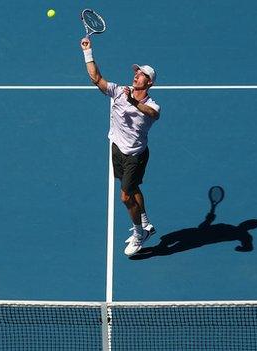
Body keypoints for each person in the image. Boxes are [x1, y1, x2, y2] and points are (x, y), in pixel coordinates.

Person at [80, 36, 161, 256]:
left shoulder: (152, 105)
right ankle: (144, 222)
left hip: (135, 155)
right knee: (132, 188)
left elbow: (152, 114)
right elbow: (96, 78)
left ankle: (139, 233)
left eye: (142, 74)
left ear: (149, 83)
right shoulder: (118, 91)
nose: (136, 75)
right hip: (117, 148)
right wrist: (88, 52)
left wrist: (134, 103)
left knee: (125, 196)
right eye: (136, 72)